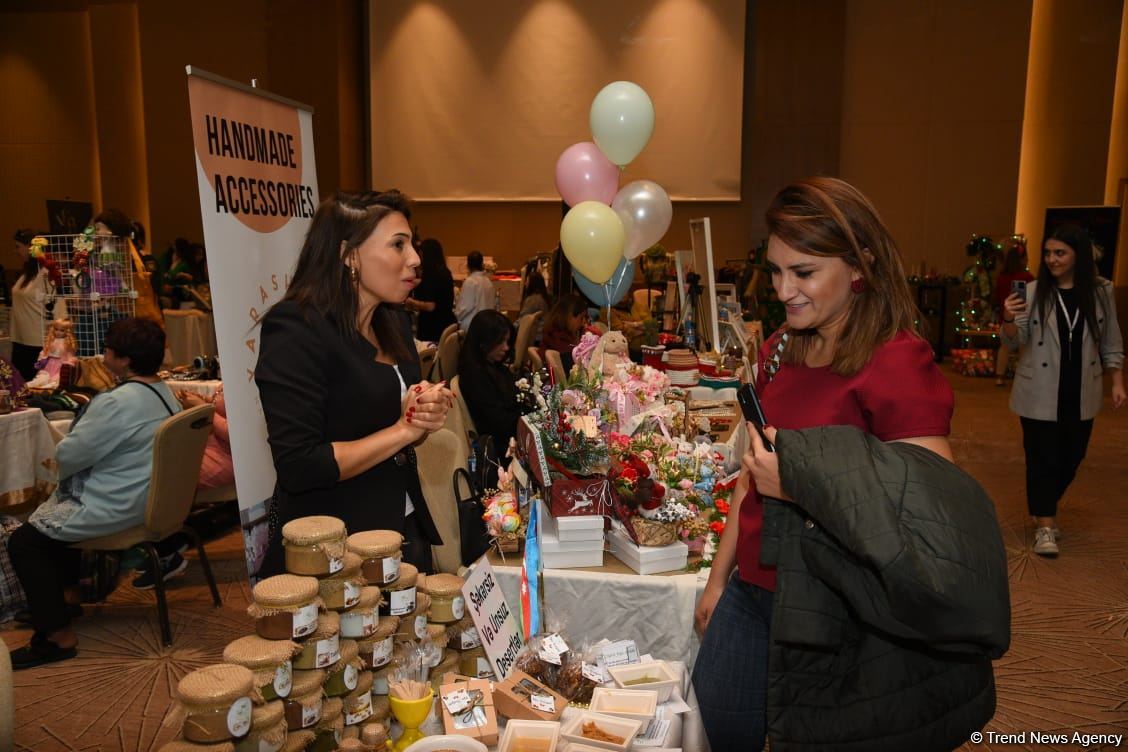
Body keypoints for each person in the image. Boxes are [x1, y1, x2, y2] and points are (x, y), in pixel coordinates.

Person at [692, 178, 1007, 751]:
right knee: (719, 718)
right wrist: (719, 578)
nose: (784, 290)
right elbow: (752, 471)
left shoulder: (894, 361)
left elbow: (927, 513)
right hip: (754, 592)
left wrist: (801, 483)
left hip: (837, 608)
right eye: (777, 270)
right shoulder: (781, 348)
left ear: (858, 266)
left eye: (804, 273)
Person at [255, 190, 453, 575]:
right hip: (336, 547)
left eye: (411, 242)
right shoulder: (296, 328)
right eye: (398, 244)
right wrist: (403, 429)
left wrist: (422, 412)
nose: (414, 258)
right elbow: (300, 464)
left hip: (402, 523)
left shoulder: (391, 321)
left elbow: (397, 422)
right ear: (349, 255)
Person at [7, 317, 180, 668]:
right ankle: (65, 598)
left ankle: (57, 636)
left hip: (120, 507)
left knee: (26, 540)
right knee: (54, 516)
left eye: (108, 351)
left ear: (124, 360)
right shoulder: (165, 393)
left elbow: (69, 455)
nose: (102, 358)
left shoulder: (116, 402)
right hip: (152, 501)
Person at [1000, 224, 1124, 557]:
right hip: (1039, 390)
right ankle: (1045, 525)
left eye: (1060, 253)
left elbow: (1111, 339)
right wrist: (1009, 319)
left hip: (1082, 389)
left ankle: (1043, 504)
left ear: (1078, 255)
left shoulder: (1101, 292)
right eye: (1048, 253)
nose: (1052, 259)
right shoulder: (1033, 291)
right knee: (1042, 458)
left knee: (1072, 456)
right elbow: (1014, 341)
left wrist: (1117, 382)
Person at [458, 310, 521, 460]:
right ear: (483, 342)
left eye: (507, 342)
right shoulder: (475, 375)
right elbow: (499, 422)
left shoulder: (492, 366)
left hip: (507, 434)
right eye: (501, 342)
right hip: (501, 447)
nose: (506, 348)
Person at [9, 229, 65, 381]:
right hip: (21, 340)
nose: (15, 251)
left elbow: (58, 306)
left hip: (38, 343)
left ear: (30, 247)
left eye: (17, 246)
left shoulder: (46, 272)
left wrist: (59, 339)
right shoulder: (27, 273)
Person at [993, 245, 1034, 386]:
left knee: (1004, 347)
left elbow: (999, 298)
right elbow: (1021, 302)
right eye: (1026, 257)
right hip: (1020, 318)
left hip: (1005, 317)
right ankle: (1021, 377)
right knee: (1023, 347)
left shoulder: (1001, 278)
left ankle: (999, 376)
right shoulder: (1026, 278)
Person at [406, 238, 456, 342]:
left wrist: (411, 302)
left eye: (421, 254)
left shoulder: (430, 273)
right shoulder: (445, 271)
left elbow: (430, 306)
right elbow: (435, 287)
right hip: (447, 322)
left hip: (433, 327)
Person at [539, 293, 590, 374]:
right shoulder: (560, 339)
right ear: (570, 316)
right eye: (581, 318)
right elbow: (573, 370)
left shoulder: (552, 331)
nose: (583, 323)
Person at [454, 250, 494, 330]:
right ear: (482, 264)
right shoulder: (488, 282)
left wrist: (455, 317)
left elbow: (465, 307)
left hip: (472, 326)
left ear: (468, 265)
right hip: (487, 325)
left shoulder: (470, 281)